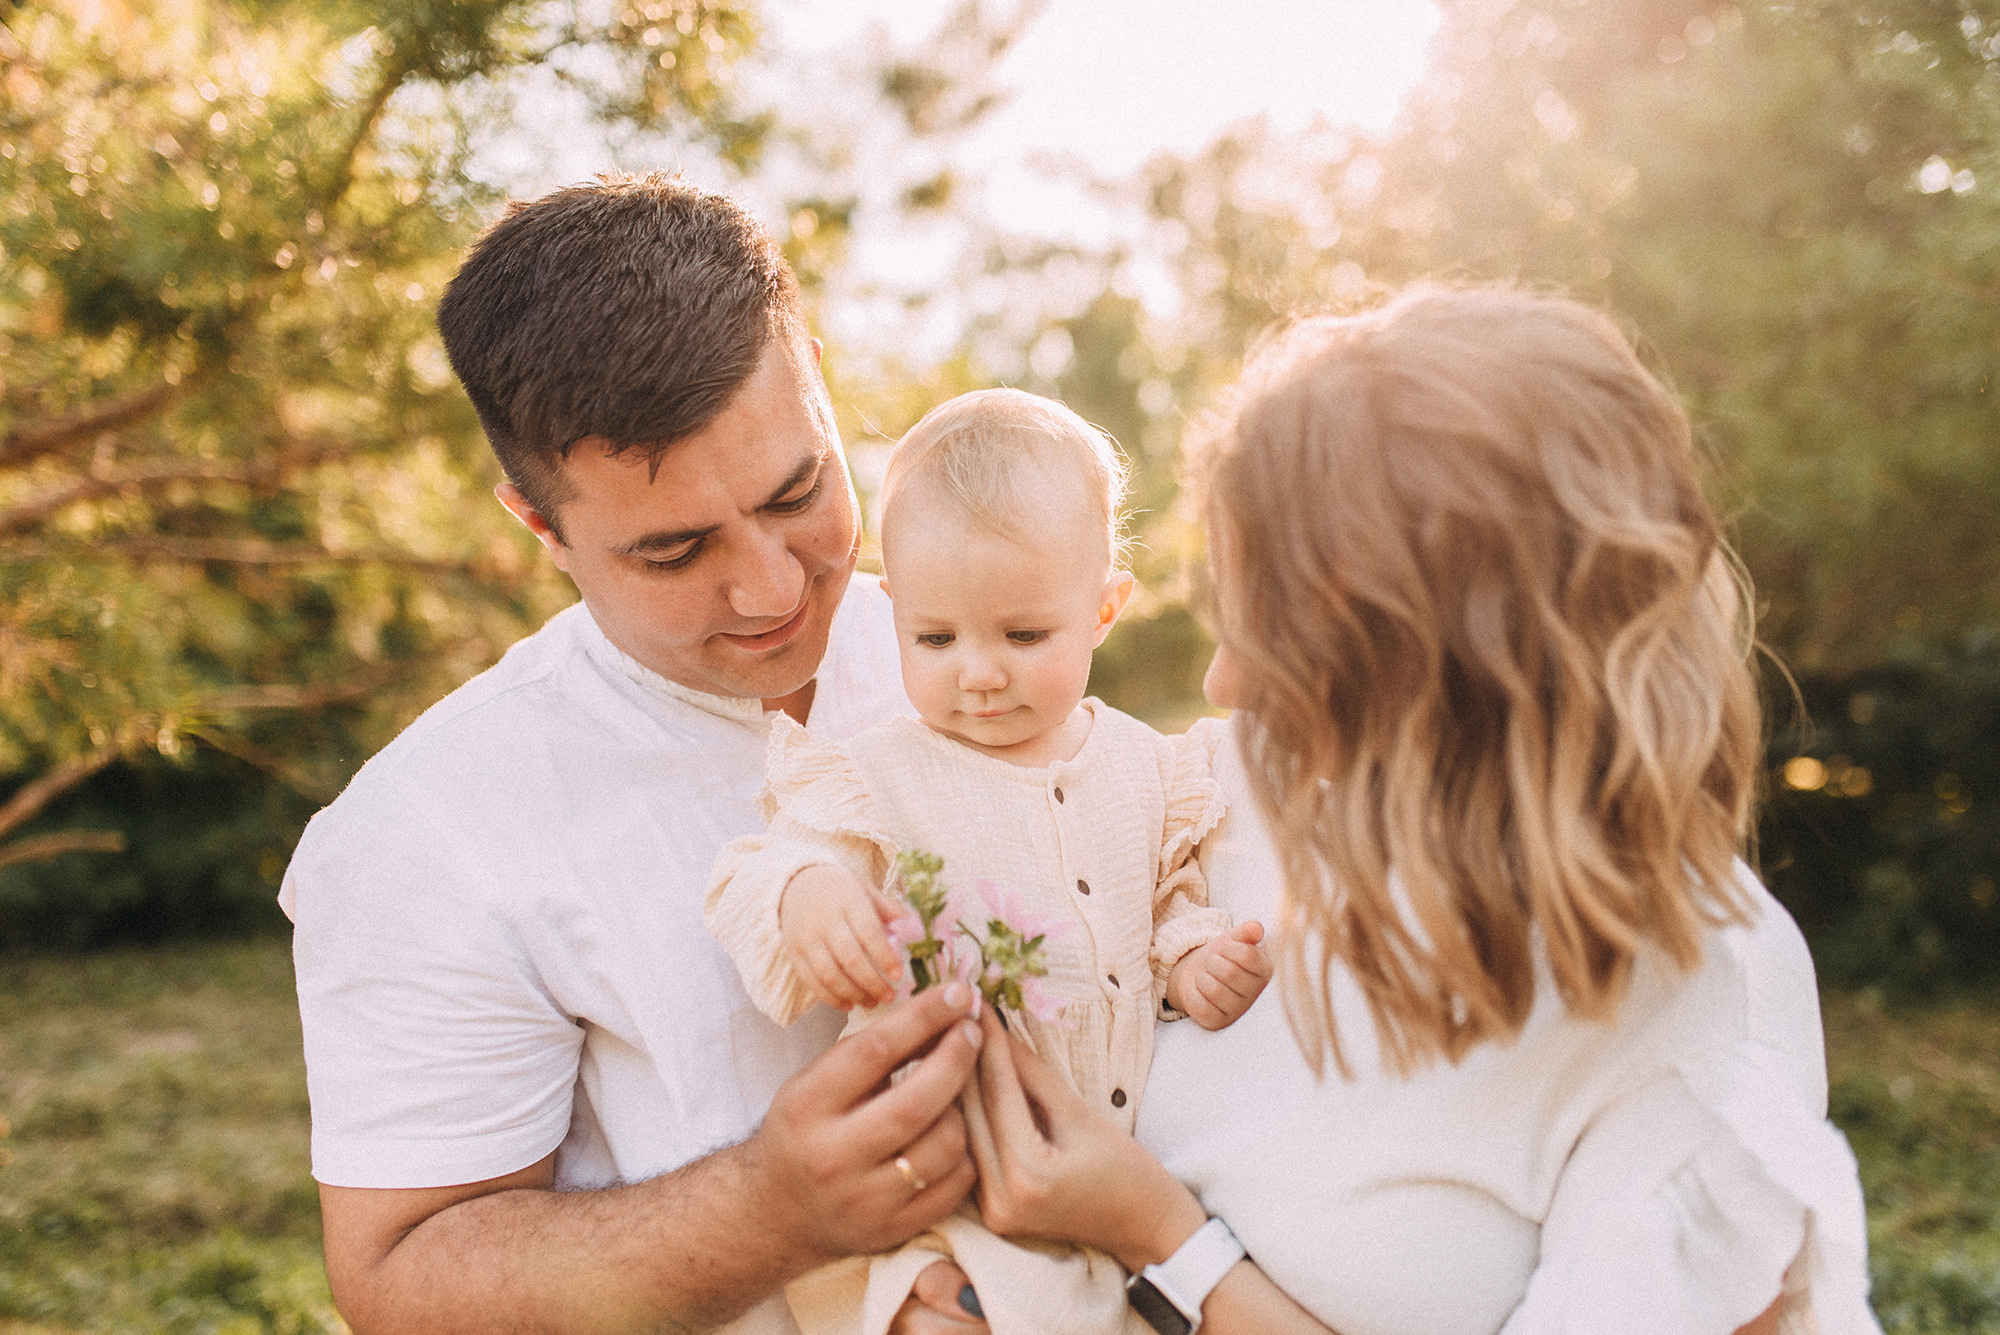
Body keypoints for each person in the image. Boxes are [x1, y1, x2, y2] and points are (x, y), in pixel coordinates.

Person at [958, 287, 1883, 1335]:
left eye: (1278, 638)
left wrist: (1158, 1240)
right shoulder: (1244, 790)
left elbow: (1137, 1207)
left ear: (1456, 661)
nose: (1222, 686)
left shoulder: (1696, 1019)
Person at [280, 172, 996, 1335]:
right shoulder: (423, 831)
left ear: (816, 377)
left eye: (798, 492)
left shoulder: (978, 648)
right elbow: (397, 1276)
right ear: (540, 525)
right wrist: (770, 1211)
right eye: (673, 553)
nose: (771, 588)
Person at [705, 388, 1272, 1335]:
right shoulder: (876, 777)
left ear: (1103, 608)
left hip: (1129, 1183)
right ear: (894, 611)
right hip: (951, 1191)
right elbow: (760, 868)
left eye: (1023, 635)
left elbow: (1168, 893)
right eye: (935, 638)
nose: (978, 671)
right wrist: (807, 893)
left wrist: (1190, 955)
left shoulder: (1148, 767)